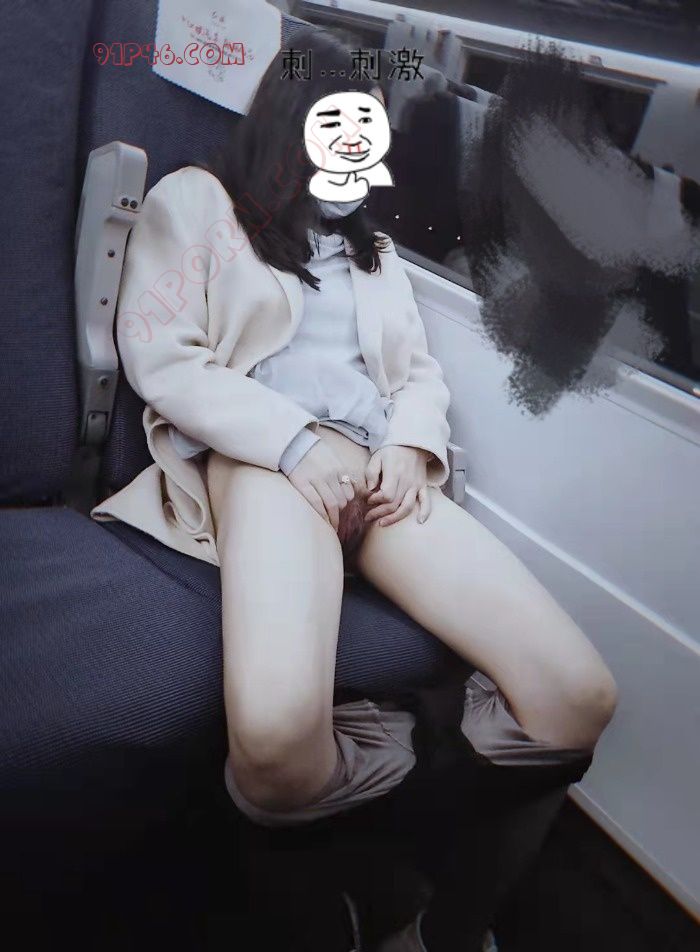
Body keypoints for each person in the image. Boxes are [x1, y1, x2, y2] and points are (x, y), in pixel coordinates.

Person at [91, 27, 618, 952]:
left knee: (576, 696)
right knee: (276, 743)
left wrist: (412, 446)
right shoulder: (198, 202)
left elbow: (415, 375)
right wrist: (294, 443)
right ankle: (348, 893)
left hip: (379, 465)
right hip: (263, 460)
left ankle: (429, 908)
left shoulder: (374, 252)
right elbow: (162, 357)